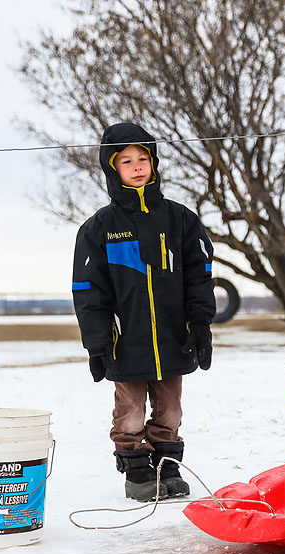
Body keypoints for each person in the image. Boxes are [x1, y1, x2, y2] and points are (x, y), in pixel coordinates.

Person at [72, 122, 216, 502]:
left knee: (170, 412)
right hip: (126, 342)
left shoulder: (180, 220)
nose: (137, 167)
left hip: (173, 337)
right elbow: (88, 291)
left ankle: (168, 468)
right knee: (130, 413)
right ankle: (137, 471)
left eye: (143, 158)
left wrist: (200, 324)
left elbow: (201, 275)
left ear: (153, 162)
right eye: (126, 161)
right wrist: (97, 342)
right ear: (112, 168)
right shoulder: (99, 228)